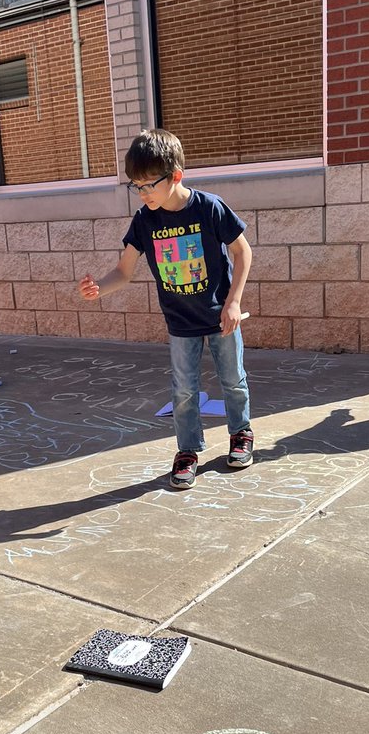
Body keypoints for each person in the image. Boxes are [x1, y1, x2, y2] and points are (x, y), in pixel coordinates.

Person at [80, 128, 253, 489]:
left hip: (220, 315)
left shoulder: (209, 208)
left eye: (148, 185)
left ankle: (241, 433)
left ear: (175, 175)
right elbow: (123, 272)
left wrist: (234, 302)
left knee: (233, 380)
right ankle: (188, 451)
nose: (142, 194)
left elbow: (242, 251)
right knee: (183, 391)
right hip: (179, 321)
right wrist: (100, 289)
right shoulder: (145, 221)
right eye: (136, 186)